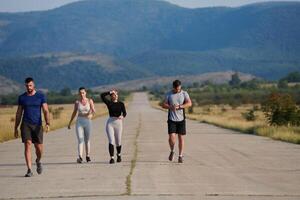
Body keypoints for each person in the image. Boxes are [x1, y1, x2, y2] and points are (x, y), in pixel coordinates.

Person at [14, 77, 50, 177]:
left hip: (37, 125)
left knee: (39, 147)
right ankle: (29, 169)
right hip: (26, 124)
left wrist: (47, 123)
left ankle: (38, 161)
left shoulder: (40, 96)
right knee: (27, 144)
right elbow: (18, 113)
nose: (28, 87)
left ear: (34, 85)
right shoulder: (22, 97)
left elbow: (46, 110)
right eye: (27, 86)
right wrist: (16, 127)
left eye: (30, 85)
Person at [162, 80, 192, 163]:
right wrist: (170, 106)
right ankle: (172, 151)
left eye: (179, 89)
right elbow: (163, 104)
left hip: (181, 119)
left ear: (180, 87)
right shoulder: (169, 94)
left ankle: (180, 156)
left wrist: (180, 106)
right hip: (171, 119)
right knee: (171, 138)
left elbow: (189, 103)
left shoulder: (184, 93)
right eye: (176, 89)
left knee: (181, 138)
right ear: (173, 87)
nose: (178, 90)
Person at [68, 87, 96, 163]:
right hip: (79, 121)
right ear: (79, 94)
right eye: (80, 93)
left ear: (85, 93)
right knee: (80, 140)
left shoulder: (90, 101)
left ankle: (87, 156)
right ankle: (80, 157)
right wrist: (70, 122)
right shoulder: (77, 102)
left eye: (83, 93)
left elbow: (94, 111)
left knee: (87, 140)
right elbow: (74, 112)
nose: (82, 94)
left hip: (88, 121)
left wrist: (91, 114)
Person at [101, 90, 127, 164]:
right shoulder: (109, 103)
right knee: (111, 140)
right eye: (113, 95)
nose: (115, 95)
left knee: (118, 141)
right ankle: (111, 158)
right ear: (111, 96)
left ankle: (118, 155)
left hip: (118, 123)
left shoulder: (121, 104)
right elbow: (102, 95)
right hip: (110, 123)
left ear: (117, 96)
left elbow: (124, 113)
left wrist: (122, 116)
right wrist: (110, 92)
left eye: (116, 94)